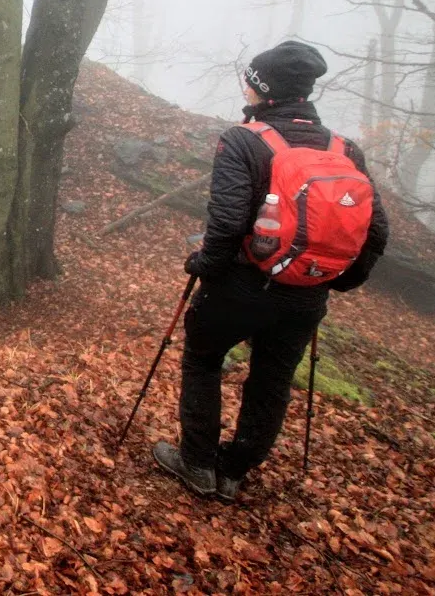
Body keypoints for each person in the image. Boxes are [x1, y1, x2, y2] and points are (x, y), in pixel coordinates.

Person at [152, 41, 389, 501]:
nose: (245, 84)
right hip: (305, 295)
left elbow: (226, 223)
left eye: (250, 78)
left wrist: (203, 265)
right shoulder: (345, 149)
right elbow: (375, 231)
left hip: (240, 285)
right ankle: (236, 469)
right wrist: (340, 280)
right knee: (272, 379)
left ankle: (198, 463)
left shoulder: (244, 139)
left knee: (203, 359)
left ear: (262, 87)